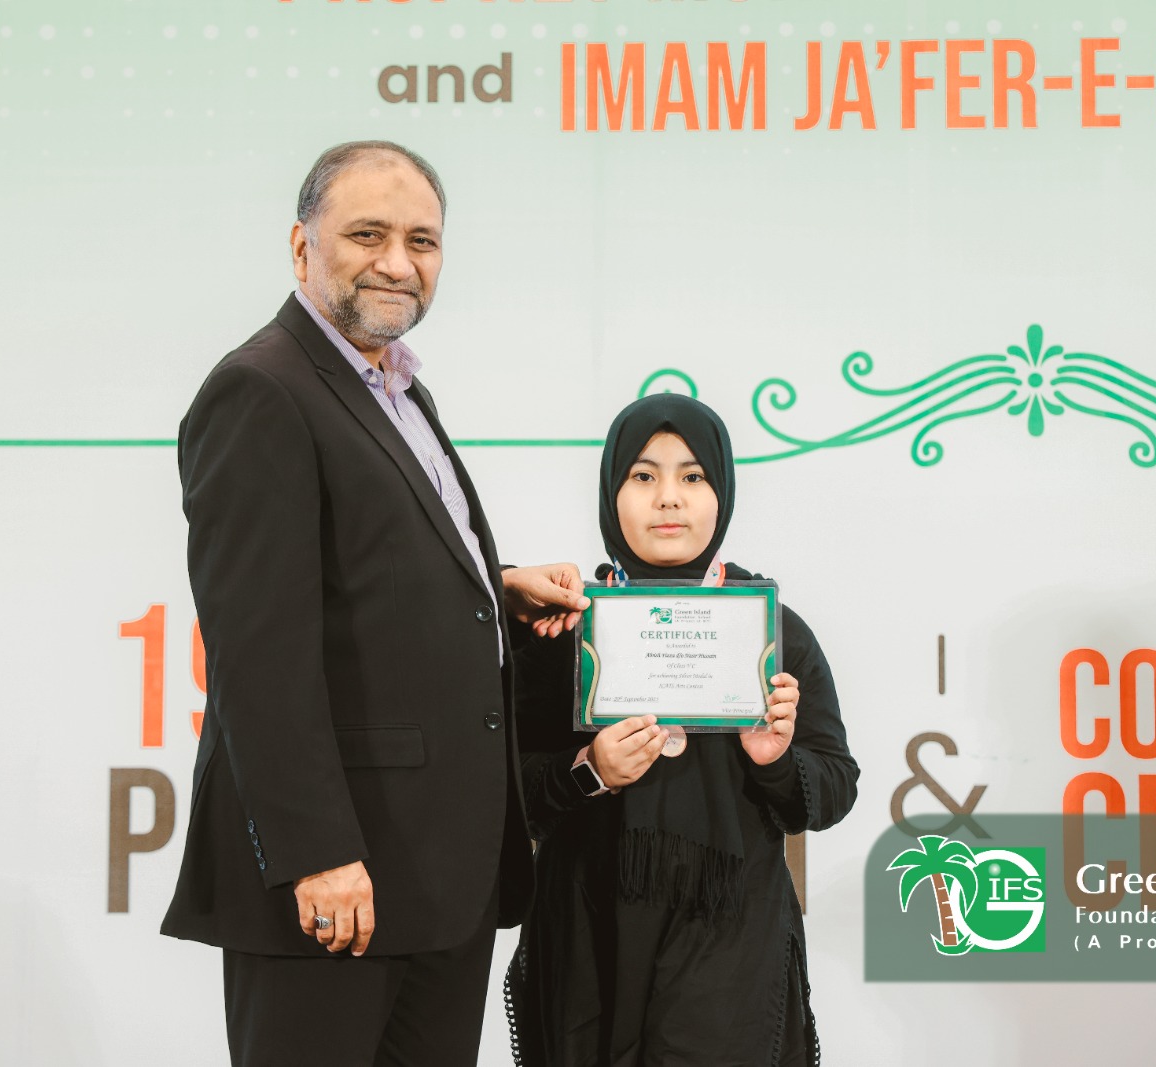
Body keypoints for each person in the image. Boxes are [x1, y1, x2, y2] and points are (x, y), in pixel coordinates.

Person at [159, 140, 589, 1067]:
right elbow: (257, 654)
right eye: (368, 234)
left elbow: (367, 569)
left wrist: (497, 586)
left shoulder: (398, 386)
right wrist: (316, 852)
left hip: (436, 878)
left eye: (422, 241)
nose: (398, 262)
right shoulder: (261, 389)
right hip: (337, 880)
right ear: (301, 246)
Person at [504, 393, 860, 1067]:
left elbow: (834, 785)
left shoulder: (772, 632)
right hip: (588, 934)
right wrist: (588, 771)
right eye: (643, 475)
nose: (669, 497)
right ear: (611, 491)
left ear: (721, 491)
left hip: (730, 943)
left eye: (692, 476)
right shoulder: (564, 629)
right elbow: (504, 788)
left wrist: (775, 761)